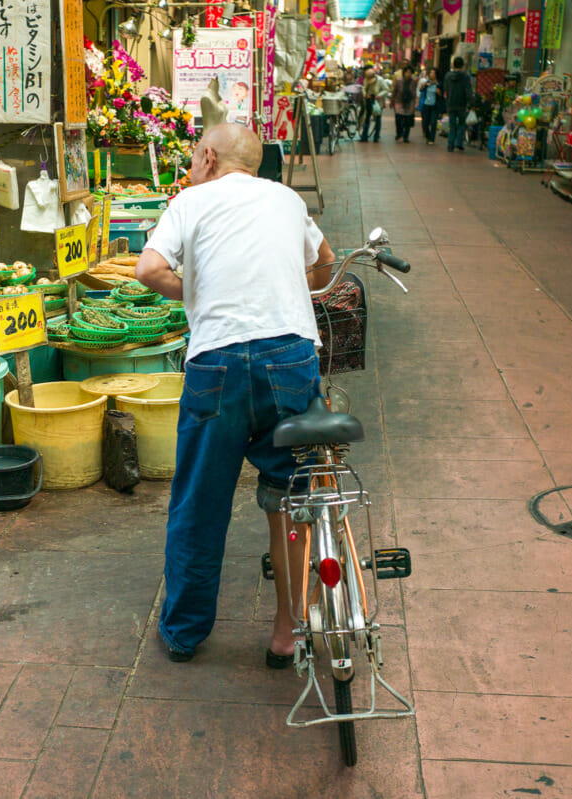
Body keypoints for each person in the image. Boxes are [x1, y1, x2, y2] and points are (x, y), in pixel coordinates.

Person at [135, 123, 336, 665]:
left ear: (207, 156)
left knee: (200, 502)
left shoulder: (191, 199)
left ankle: (184, 634)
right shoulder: (288, 198)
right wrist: (288, 287)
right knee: (291, 500)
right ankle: (286, 633)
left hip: (217, 363)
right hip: (289, 360)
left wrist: (196, 293)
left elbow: (149, 268)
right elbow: (325, 265)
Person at [443, 56, 475, 151]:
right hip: (462, 104)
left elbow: (445, 89)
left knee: (452, 124)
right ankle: (459, 143)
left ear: (453, 64)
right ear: (462, 65)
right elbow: (468, 91)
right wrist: (471, 103)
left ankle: (450, 144)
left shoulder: (448, 76)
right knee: (461, 124)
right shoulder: (465, 77)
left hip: (451, 103)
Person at [391, 65, 418, 143]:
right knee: (398, 119)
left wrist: (414, 104)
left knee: (407, 121)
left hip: (409, 103)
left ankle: (406, 136)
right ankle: (399, 134)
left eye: (410, 72)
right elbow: (395, 91)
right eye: (406, 72)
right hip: (399, 102)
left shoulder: (413, 82)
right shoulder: (399, 81)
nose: (408, 74)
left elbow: (414, 93)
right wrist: (392, 101)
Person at [360, 67, 388, 143]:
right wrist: (366, 95)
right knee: (367, 118)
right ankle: (364, 136)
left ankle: (376, 136)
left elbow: (386, 89)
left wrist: (379, 95)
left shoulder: (380, 80)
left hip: (378, 101)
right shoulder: (366, 80)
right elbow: (364, 88)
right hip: (369, 100)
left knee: (378, 119)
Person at [418, 68, 442, 144]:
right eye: (431, 73)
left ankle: (431, 139)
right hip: (426, 105)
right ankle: (427, 135)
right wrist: (422, 86)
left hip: (434, 106)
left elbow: (442, 96)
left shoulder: (439, 84)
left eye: (433, 73)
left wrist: (439, 93)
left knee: (433, 122)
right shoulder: (427, 83)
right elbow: (421, 90)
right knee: (425, 122)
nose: (431, 74)